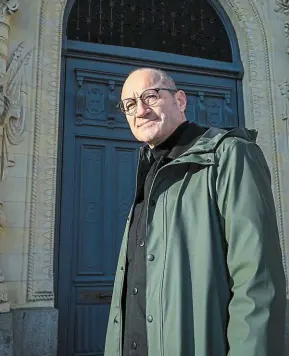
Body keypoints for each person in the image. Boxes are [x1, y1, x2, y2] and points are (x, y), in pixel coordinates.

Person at [105, 67, 286, 356]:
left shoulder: (230, 155)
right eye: (129, 104)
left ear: (180, 100)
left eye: (150, 96)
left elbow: (257, 281)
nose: (140, 110)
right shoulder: (150, 168)